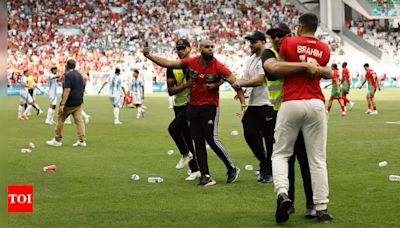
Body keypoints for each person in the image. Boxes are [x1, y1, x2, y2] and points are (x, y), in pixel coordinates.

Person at [143, 39, 246, 186]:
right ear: (199, 49)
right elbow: (168, 63)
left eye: (212, 47)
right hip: (192, 107)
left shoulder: (218, 66)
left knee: (212, 139)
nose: (210, 49)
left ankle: (232, 168)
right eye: (206, 47)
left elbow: (235, 83)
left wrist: (242, 102)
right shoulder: (191, 62)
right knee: (198, 142)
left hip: (210, 107)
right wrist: (149, 56)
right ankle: (205, 175)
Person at [264, 14, 334, 223]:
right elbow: (327, 71)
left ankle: (283, 193)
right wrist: (311, 67)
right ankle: (321, 207)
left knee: (280, 154)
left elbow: (278, 68)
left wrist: (301, 65)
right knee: (318, 159)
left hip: (292, 101)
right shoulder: (324, 48)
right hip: (316, 102)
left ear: (300, 26)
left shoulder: (290, 43)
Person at [234, 31, 274, 183]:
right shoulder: (250, 59)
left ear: (263, 42)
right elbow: (247, 78)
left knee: (270, 140)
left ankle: (269, 169)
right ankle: (265, 163)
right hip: (254, 104)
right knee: (249, 134)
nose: (251, 44)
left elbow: (259, 80)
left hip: (267, 104)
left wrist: (240, 83)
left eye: (254, 42)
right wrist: (242, 91)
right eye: (250, 42)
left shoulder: (267, 58)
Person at [166, 39, 200, 180]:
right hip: (179, 106)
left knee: (173, 129)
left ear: (189, 49)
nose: (180, 51)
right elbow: (170, 91)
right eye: (178, 48)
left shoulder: (196, 64)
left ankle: (186, 154)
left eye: (183, 48)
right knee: (186, 137)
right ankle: (195, 170)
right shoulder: (172, 67)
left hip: (192, 105)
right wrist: (186, 85)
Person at [46, 58, 86, 147]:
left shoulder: (68, 75)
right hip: (78, 102)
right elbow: (83, 85)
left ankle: (57, 140)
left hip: (69, 103)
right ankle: (82, 140)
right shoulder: (79, 74)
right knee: (79, 121)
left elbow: (67, 90)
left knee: (61, 119)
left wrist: (62, 104)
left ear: (66, 66)